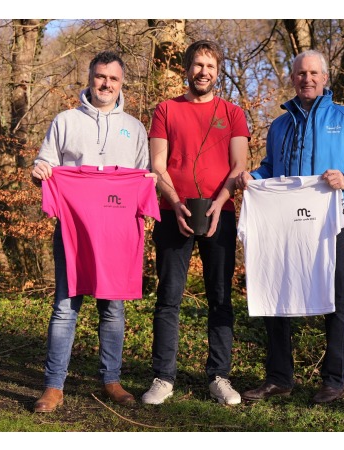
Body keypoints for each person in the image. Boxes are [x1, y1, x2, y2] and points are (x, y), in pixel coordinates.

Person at [238, 49, 344, 403]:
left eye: (314, 73)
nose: (307, 79)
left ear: (325, 78)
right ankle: (279, 378)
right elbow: (270, 168)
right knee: (275, 293)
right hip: (283, 223)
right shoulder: (280, 125)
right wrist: (251, 178)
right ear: (292, 78)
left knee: (335, 298)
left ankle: (333, 380)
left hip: (332, 221)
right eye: (301, 73)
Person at [31, 51, 154, 412]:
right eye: (100, 77)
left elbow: (143, 176)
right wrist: (40, 169)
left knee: (113, 309)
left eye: (113, 79)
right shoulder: (65, 121)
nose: (106, 84)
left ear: (121, 83)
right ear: (90, 78)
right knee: (65, 307)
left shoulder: (134, 127)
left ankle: (111, 380)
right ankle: (53, 386)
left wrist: (150, 183)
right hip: (74, 233)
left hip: (116, 235)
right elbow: (46, 161)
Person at [142, 40, 250, 405]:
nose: (203, 72)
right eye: (197, 65)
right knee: (168, 297)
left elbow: (238, 167)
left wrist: (220, 204)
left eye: (210, 66)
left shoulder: (233, 113)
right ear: (187, 68)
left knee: (220, 297)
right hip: (174, 213)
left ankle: (219, 376)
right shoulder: (166, 109)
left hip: (221, 214)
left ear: (218, 72)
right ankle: (163, 378)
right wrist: (174, 201)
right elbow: (157, 165)